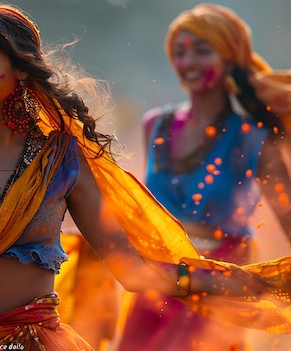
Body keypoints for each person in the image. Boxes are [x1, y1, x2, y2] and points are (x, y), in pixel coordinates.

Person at [0, 3, 291, 349]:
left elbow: (130, 270)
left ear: (19, 69)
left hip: (34, 340)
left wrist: (241, 281)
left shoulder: (61, 161)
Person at [116, 4, 291, 350]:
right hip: (158, 282)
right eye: (179, 52)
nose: (188, 62)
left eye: (202, 50)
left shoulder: (253, 138)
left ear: (229, 56)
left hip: (219, 287)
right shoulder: (155, 125)